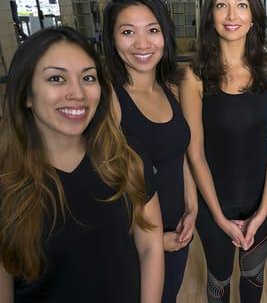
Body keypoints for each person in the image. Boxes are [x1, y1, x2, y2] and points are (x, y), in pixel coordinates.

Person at [0, 26, 164, 303]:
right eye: (56, 78)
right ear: (27, 95)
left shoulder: (126, 156)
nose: (77, 93)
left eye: (88, 78)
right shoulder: (6, 178)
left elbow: (149, 244)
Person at [180, 0, 267, 302]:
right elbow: (194, 152)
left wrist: (262, 210)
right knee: (219, 283)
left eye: (241, 5)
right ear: (210, 15)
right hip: (215, 206)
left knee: (253, 280)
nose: (231, 15)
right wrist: (218, 216)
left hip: (262, 202)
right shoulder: (194, 76)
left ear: (254, 15)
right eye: (221, 5)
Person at [102, 0, 197, 303]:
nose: (142, 44)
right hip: (135, 245)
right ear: (113, 41)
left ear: (165, 36)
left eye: (152, 30)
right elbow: (102, 193)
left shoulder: (170, 88)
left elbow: (178, 155)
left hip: (177, 234)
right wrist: (153, 240)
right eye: (128, 32)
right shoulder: (110, 101)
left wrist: (192, 207)